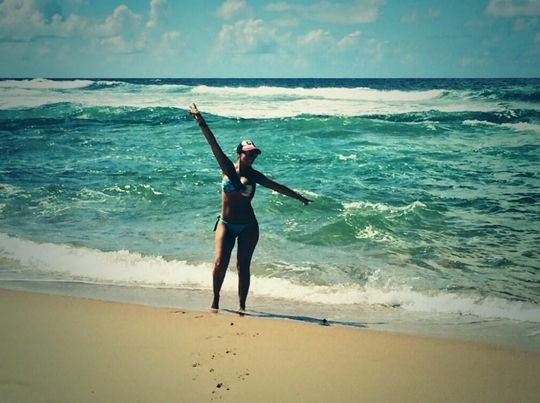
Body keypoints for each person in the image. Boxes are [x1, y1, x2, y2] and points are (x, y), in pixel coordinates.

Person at [189, 104, 313, 313]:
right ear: (239, 153)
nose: (252, 157)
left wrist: (299, 197)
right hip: (226, 224)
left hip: (248, 226)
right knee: (219, 263)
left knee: (243, 266)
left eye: (254, 155)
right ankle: (215, 299)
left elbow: (276, 186)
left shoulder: (254, 175)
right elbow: (213, 144)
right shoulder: (227, 168)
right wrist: (200, 120)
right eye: (248, 154)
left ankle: (242, 305)